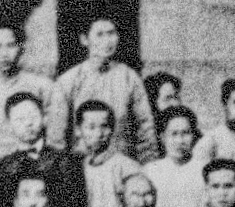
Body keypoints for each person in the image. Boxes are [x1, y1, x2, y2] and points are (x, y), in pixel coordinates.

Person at [51, 18, 159, 162]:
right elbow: (56, 136)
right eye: (100, 34)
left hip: (122, 162)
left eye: (111, 33)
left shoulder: (129, 77)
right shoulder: (68, 81)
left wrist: (148, 163)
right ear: (85, 39)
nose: (107, 41)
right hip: (82, 165)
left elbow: (145, 126)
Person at [0, 93, 91, 207]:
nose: (28, 123)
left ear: (44, 119)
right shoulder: (1, 169)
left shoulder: (66, 162)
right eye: (20, 119)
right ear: (9, 125)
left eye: (33, 117)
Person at [72, 100, 148, 207]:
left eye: (104, 126)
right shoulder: (78, 167)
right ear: (78, 130)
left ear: (112, 129)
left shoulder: (127, 167)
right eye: (91, 127)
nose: (99, 134)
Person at [141, 108, 209, 207]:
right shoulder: (150, 171)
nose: (180, 141)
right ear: (163, 137)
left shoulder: (205, 171)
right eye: (174, 134)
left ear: (194, 135)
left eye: (185, 133)